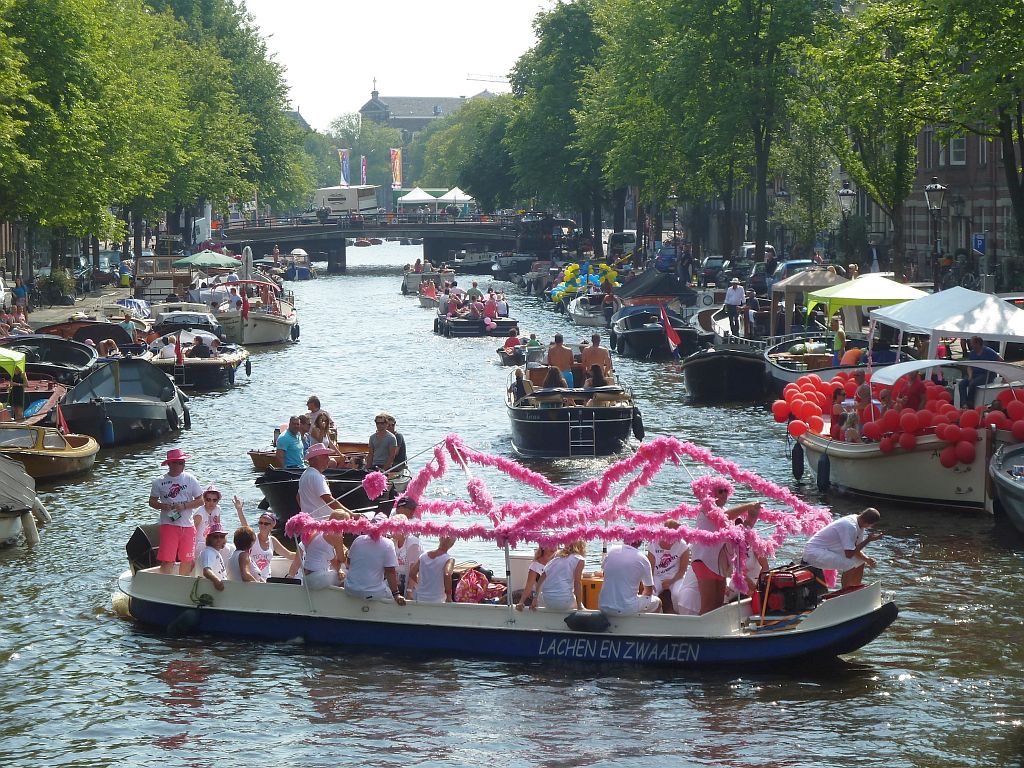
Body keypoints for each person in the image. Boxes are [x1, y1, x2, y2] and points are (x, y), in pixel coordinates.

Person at [690, 482, 760, 614]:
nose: (724, 494)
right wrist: (748, 505)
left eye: (726, 491)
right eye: (720, 491)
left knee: (717, 606)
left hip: (719, 563)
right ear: (712, 493)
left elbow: (740, 533)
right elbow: (724, 516)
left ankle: (713, 632)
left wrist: (752, 517)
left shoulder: (725, 513)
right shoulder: (707, 507)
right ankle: (700, 632)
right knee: (708, 605)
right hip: (704, 561)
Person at [149, 448, 203, 575]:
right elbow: (151, 502)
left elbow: (201, 500)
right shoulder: (159, 482)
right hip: (169, 525)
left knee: (187, 559)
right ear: (170, 464)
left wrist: (184, 506)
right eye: (179, 462)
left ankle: (182, 584)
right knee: (168, 560)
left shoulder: (190, 479)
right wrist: (163, 506)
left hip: (188, 525)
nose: (182, 465)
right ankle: (164, 584)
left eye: (183, 462)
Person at [802, 508, 883, 588]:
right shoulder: (850, 526)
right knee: (849, 564)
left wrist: (867, 559)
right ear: (868, 523)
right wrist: (868, 540)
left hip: (826, 551)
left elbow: (855, 550)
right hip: (813, 553)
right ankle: (845, 593)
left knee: (860, 561)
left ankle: (856, 589)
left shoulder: (859, 523)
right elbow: (849, 554)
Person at [345, 516, 406, 604]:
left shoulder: (358, 539)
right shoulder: (388, 544)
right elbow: (390, 572)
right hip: (372, 593)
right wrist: (396, 594)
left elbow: (349, 563)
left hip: (350, 589)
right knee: (390, 595)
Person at [233, 498, 294, 582]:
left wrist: (304, 552)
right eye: (260, 523)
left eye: (266, 523)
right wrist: (239, 510)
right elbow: (245, 525)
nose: (262, 525)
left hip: (267, 579)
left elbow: (289, 555)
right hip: (255, 580)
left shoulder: (272, 540)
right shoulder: (253, 538)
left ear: (272, 525)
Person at [598, 538, 661, 615]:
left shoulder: (612, 550)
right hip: (626, 608)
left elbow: (604, 574)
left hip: (603, 606)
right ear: (640, 542)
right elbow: (648, 592)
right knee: (657, 602)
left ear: (624, 539)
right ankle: (646, 626)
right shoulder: (642, 558)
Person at [293, 510, 348, 588]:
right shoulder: (337, 535)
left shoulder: (318, 531)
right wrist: (346, 552)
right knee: (348, 574)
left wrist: (339, 570)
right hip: (318, 578)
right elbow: (341, 559)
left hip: (306, 577)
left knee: (340, 572)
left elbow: (333, 561)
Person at [646, 521, 689, 613]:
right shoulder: (653, 544)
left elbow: (682, 570)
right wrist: (650, 584)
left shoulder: (683, 546)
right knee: (651, 593)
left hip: (676, 577)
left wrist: (671, 581)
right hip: (657, 576)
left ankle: (679, 615)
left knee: (677, 594)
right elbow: (650, 569)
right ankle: (657, 614)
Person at [299, 443, 350, 518]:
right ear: (317, 458)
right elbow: (328, 499)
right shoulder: (315, 476)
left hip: (311, 520)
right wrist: (351, 514)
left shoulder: (305, 474)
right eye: (326, 456)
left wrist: (308, 512)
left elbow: (298, 496)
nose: (329, 459)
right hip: (321, 522)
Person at [531, 541, 586, 611]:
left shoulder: (557, 556)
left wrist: (535, 598)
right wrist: (579, 606)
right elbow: (577, 583)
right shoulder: (579, 559)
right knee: (581, 607)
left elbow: (542, 577)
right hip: (563, 601)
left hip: (547, 600)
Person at [408, 536, 456, 603]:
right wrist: (449, 597)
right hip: (438, 599)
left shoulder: (423, 556)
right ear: (452, 545)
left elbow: (412, 573)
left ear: (439, 539)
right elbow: (447, 574)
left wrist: (421, 584)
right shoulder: (449, 559)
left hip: (421, 597)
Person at [959, 335, 1002, 407]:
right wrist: (970, 375)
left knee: (973, 383)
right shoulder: (972, 353)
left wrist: (999, 372)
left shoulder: (988, 351)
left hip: (988, 374)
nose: (971, 345)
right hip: (975, 374)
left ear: (978, 344)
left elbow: (1001, 361)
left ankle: (970, 404)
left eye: (972, 343)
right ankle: (964, 404)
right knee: (962, 384)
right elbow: (969, 366)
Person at [391, 498, 422, 596]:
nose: (391, 531)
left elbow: (414, 570)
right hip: (396, 579)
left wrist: (409, 591)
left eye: (394, 529)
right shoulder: (392, 542)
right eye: (391, 528)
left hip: (410, 581)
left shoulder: (412, 543)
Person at [191, 484, 224, 574]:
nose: (211, 503)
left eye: (214, 500)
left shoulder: (217, 509)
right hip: (199, 544)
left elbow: (218, 528)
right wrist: (191, 554)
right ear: (204, 500)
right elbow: (191, 534)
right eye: (208, 499)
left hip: (212, 543)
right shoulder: (199, 514)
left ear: (218, 501)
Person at [515, 545, 555, 610]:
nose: (553, 547)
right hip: (543, 599)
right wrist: (521, 602)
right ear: (543, 547)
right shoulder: (535, 565)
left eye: (556, 544)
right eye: (550, 544)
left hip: (558, 596)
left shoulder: (558, 562)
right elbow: (529, 586)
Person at [200, 524, 231, 591]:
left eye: (222, 536)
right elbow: (206, 571)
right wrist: (217, 581)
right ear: (209, 538)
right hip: (215, 590)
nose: (219, 539)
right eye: (215, 536)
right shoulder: (209, 552)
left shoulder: (214, 552)